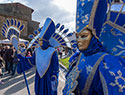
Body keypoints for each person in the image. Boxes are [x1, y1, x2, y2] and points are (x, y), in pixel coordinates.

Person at [17, 18, 59, 95]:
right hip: (39, 76)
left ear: (46, 41)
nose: (40, 43)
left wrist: (54, 75)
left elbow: (55, 66)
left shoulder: (53, 51)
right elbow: (32, 61)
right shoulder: (37, 50)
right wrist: (22, 59)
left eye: (41, 41)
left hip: (49, 76)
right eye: (39, 41)